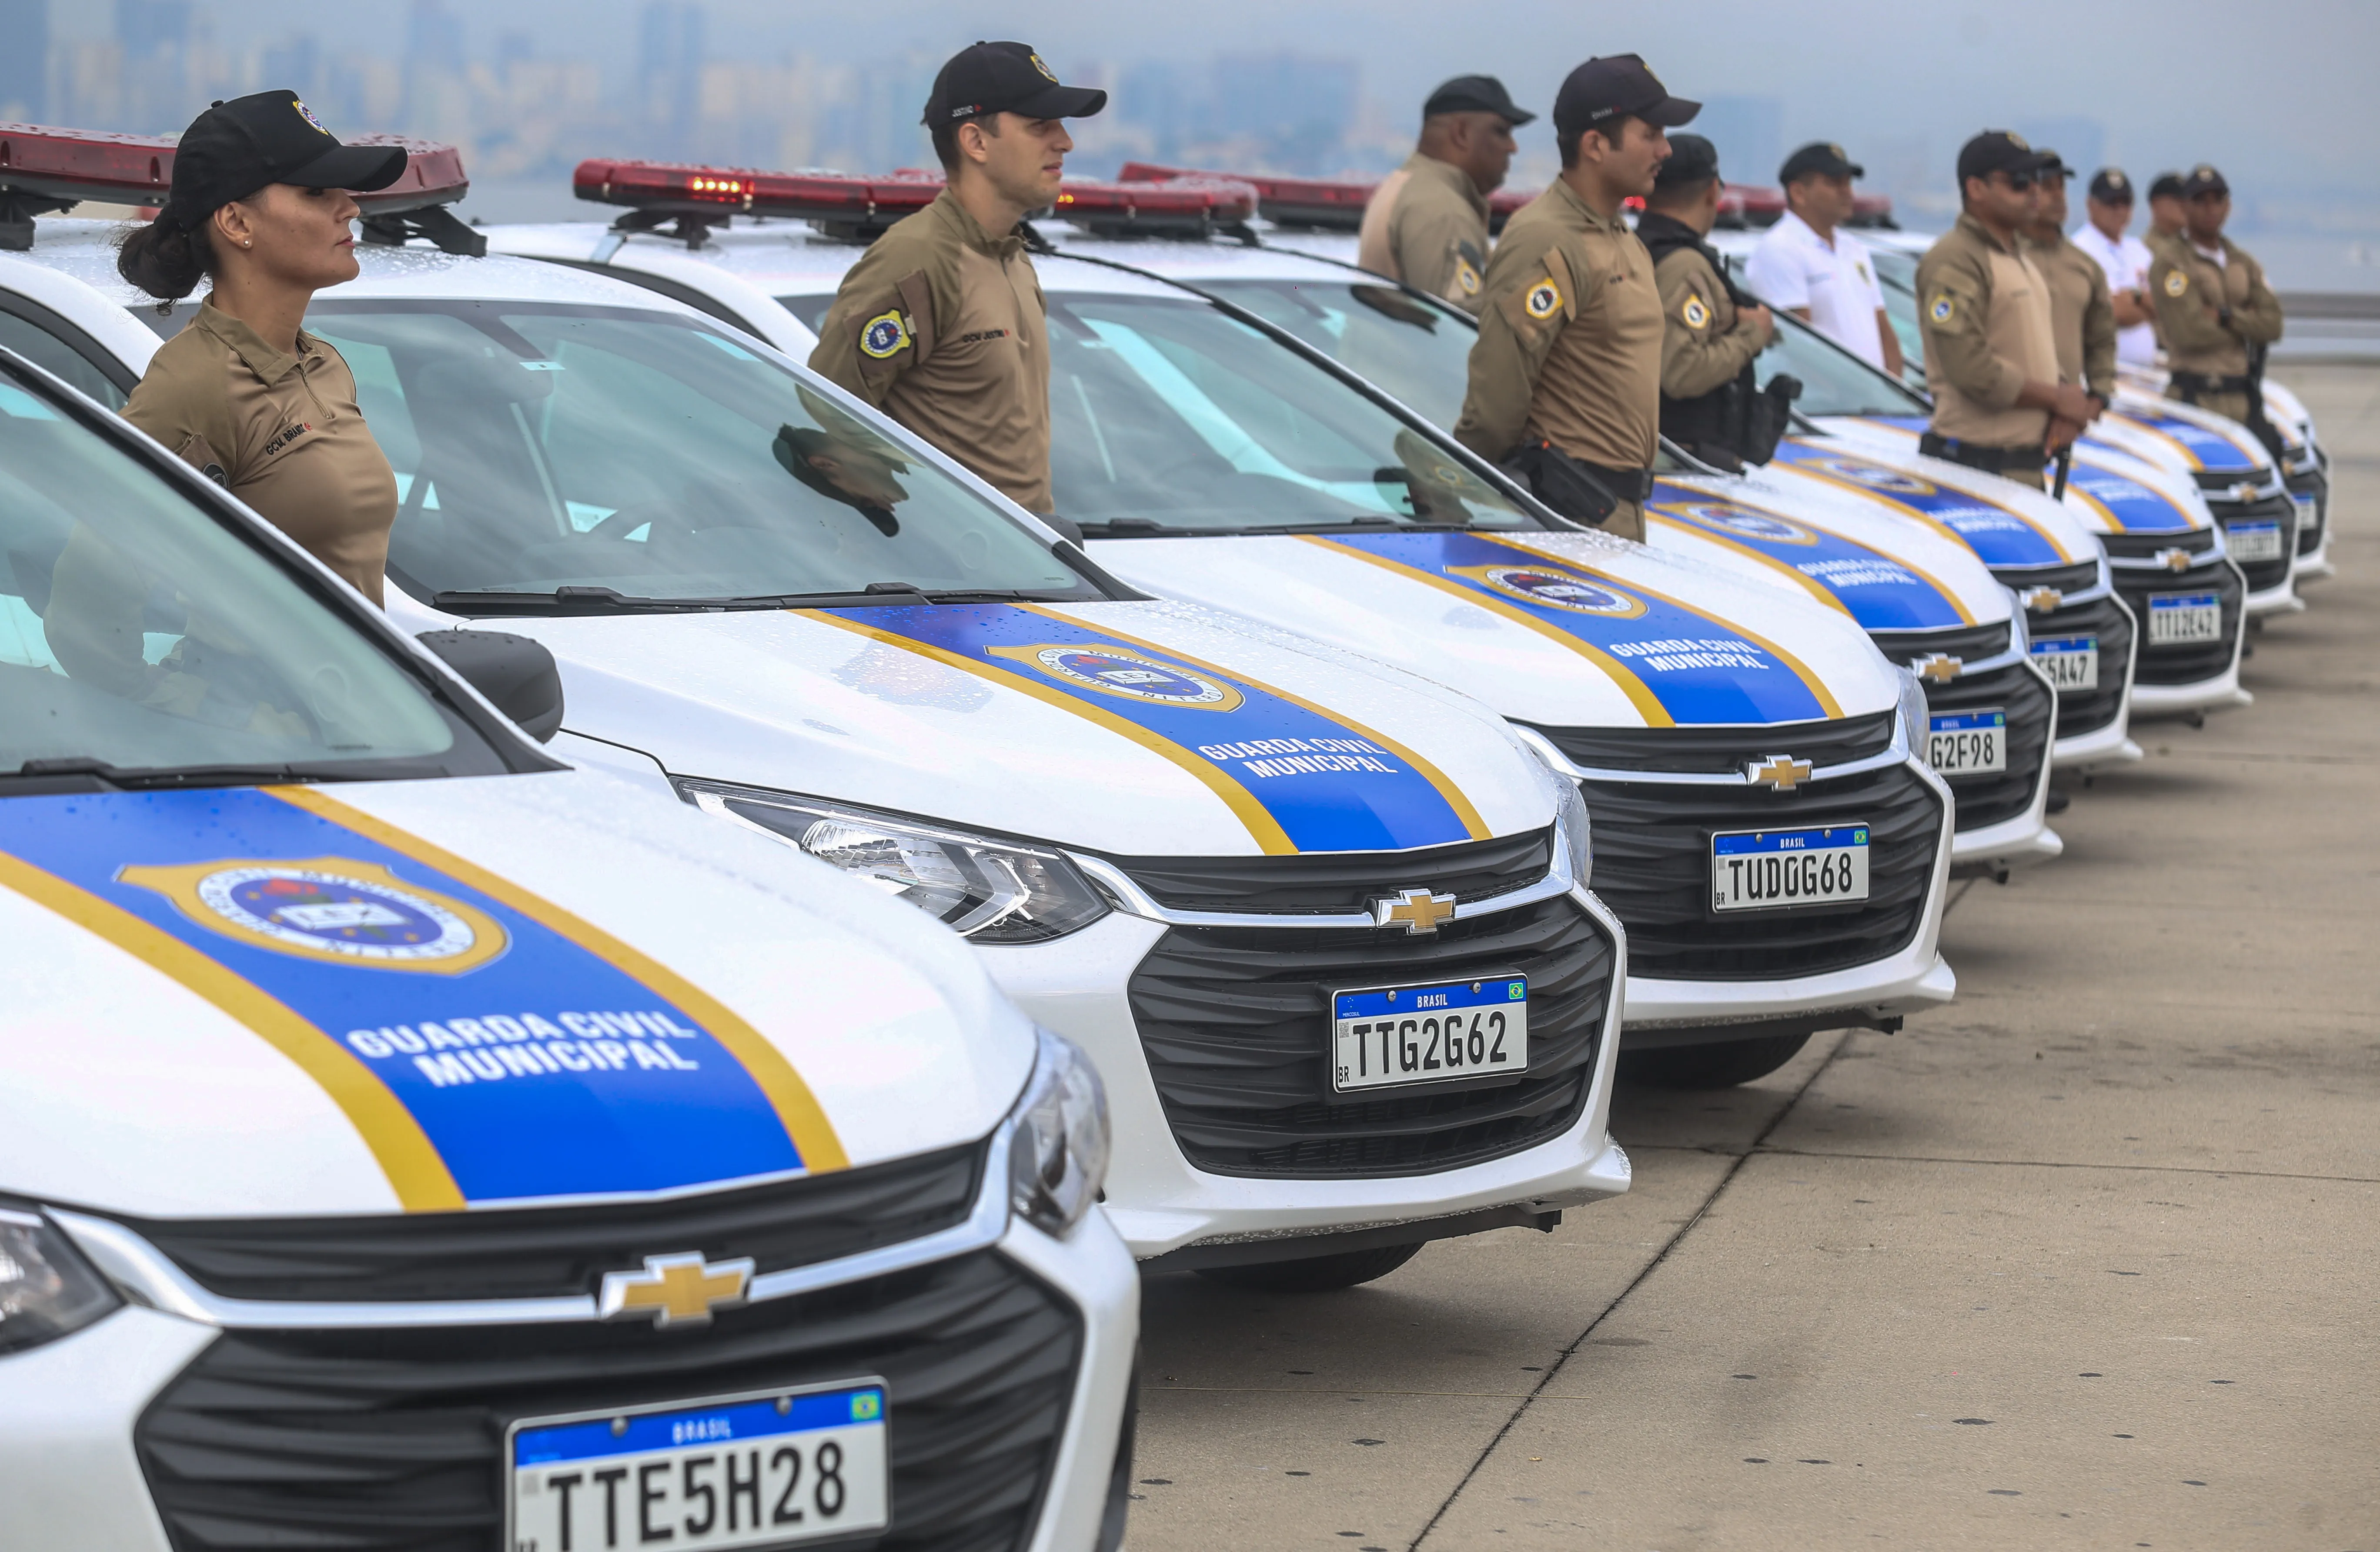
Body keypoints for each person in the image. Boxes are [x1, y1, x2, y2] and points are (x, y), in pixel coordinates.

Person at [111, 91, 408, 604]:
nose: (350, 207)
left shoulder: (323, 365)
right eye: (316, 192)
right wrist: (171, 689)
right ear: (237, 223)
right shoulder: (196, 382)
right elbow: (92, 588)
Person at [809, 41, 1106, 514]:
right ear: (976, 142)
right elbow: (830, 410)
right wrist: (923, 529)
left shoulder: (1010, 255)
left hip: (1027, 564)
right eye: (1039, 125)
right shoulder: (919, 258)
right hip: (955, 575)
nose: (1065, 142)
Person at [1453, 54, 1699, 541]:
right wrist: (1464, 488)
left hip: (1613, 512)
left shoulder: (1621, 238)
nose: (1666, 150)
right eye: (1650, 134)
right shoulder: (1547, 239)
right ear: (1595, 144)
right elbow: (1497, 399)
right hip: (1570, 515)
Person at [1911, 131, 2100, 489]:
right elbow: (1971, 369)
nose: (2034, 192)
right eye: (2018, 182)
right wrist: (2059, 398)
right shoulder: (1958, 260)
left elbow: (2032, 350)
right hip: (1977, 467)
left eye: (2035, 182)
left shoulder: (2016, 257)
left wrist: (2065, 405)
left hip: (2021, 466)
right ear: (1977, 189)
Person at [1637, 134, 1777, 471]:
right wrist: (1752, 333)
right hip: (1683, 463)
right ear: (1713, 191)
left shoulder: (1642, 249)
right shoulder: (1686, 267)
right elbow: (1682, 372)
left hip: (1671, 458)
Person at [1356, 76, 1534, 314]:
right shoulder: (1443, 210)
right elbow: (1459, 327)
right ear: (1461, 134)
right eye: (1501, 132)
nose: (1513, 147)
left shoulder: (1406, 185)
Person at [1742, 141, 1900, 375]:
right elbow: (1799, 345)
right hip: (1826, 403)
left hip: (1871, 401)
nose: (1848, 192)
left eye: (1848, 183)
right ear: (1798, 193)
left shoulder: (1853, 248)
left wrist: (1892, 393)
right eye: (1835, 183)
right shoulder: (1781, 248)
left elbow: (1883, 329)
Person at [2147, 164, 2284, 435]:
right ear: (2185, 207)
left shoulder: (2242, 262)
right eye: (2201, 201)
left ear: (2228, 206)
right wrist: (2247, 326)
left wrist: (2225, 316)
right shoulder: (2172, 265)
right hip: (2194, 398)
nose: (2210, 209)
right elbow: (2189, 332)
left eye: (2217, 200)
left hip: (2242, 398)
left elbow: (2273, 325)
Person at [2023, 151, 2117, 422]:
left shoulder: (2085, 266)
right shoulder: (2007, 259)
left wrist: (2099, 397)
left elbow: (2101, 338)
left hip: (2069, 415)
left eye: (2061, 187)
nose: (2058, 196)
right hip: (2016, 410)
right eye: (2047, 187)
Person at [2070, 167, 2160, 365]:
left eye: (2125, 203)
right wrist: (2145, 303)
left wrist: (2133, 298)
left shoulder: (2140, 250)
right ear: (2091, 204)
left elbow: (2166, 305)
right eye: (2111, 203)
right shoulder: (2078, 249)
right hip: (2101, 370)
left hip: (2145, 375)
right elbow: (2110, 312)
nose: (2120, 210)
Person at [2145, 171, 2187, 246]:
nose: (2184, 206)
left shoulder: (2195, 247)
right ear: (2156, 204)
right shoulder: (2144, 251)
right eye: (2177, 200)